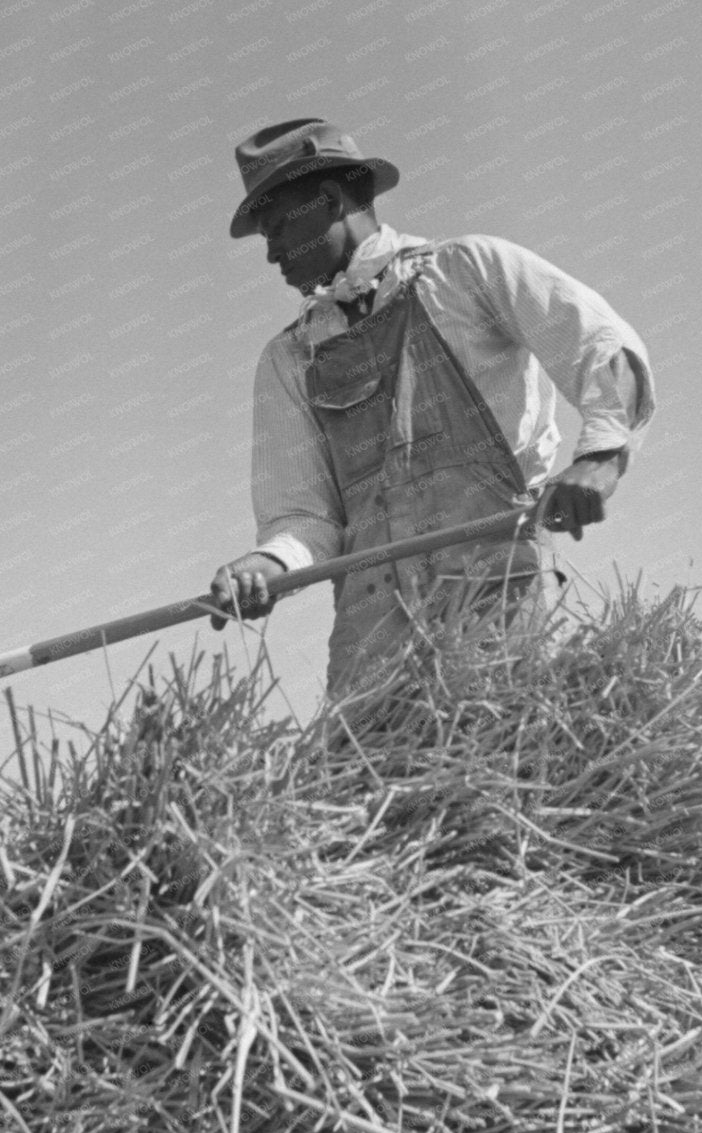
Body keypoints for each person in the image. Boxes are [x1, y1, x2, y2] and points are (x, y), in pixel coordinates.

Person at [207, 118, 656, 698]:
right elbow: (305, 519)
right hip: (373, 646)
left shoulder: (468, 271)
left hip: (497, 610)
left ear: (328, 200)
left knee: (509, 773)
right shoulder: (290, 358)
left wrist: (600, 457)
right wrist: (268, 565)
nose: (270, 255)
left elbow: (603, 347)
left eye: (277, 230)